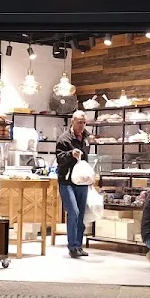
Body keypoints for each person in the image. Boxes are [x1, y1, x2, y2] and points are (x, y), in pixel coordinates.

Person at [55, 110, 91, 259]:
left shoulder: (86, 138)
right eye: (79, 122)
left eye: (84, 122)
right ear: (72, 122)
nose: (82, 125)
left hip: (82, 181)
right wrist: (70, 154)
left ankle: (78, 245)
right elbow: (59, 158)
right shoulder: (64, 139)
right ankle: (72, 246)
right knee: (73, 212)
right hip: (67, 181)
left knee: (81, 213)